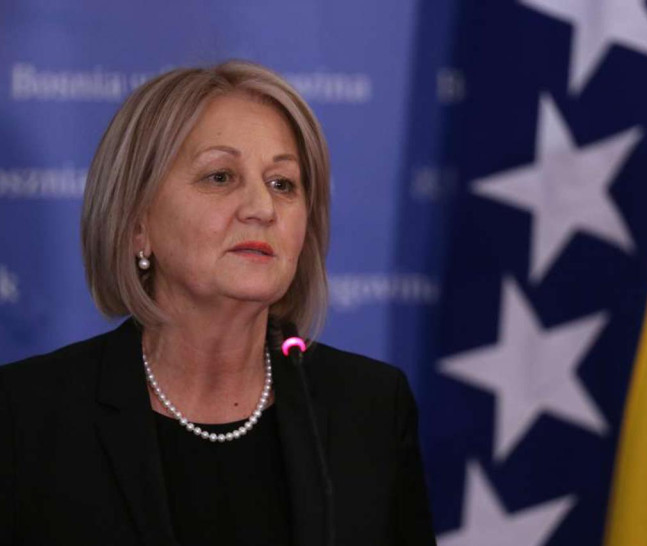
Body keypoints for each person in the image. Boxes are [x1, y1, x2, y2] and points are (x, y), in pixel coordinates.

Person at [0, 61, 436, 545]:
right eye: (220, 177)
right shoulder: (25, 417)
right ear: (137, 224)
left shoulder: (371, 409)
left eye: (282, 184)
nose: (262, 209)